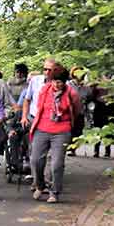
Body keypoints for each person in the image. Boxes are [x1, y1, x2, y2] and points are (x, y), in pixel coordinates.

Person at [29, 63, 82, 203]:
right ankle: (40, 185)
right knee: (35, 160)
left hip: (62, 130)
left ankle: (55, 192)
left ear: (65, 82)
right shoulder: (44, 90)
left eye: (60, 82)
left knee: (57, 164)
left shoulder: (72, 93)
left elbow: (77, 111)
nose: (57, 85)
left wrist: (68, 123)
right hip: (42, 128)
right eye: (55, 81)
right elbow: (39, 108)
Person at [20, 58, 56, 130]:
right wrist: (24, 117)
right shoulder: (35, 80)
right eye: (45, 69)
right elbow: (27, 100)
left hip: (51, 121)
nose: (47, 72)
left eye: (50, 70)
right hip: (34, 118)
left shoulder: (60, 84)